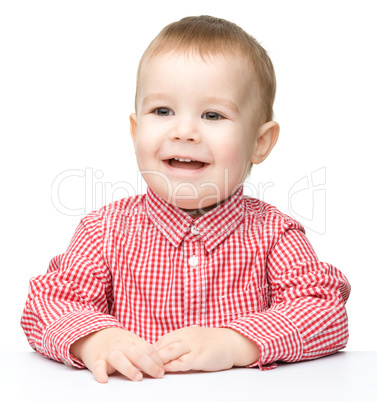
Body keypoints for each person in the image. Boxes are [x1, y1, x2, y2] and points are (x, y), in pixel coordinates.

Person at [21, 15, 350, 383]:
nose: (184, 131)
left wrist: (237, 343)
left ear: (259, 143)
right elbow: (48, 304)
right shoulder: (104, 232)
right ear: (135, 130)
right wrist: (95, 339)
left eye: (212, 114)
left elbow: (324, 311)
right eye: (162, 111)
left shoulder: (274, 234)